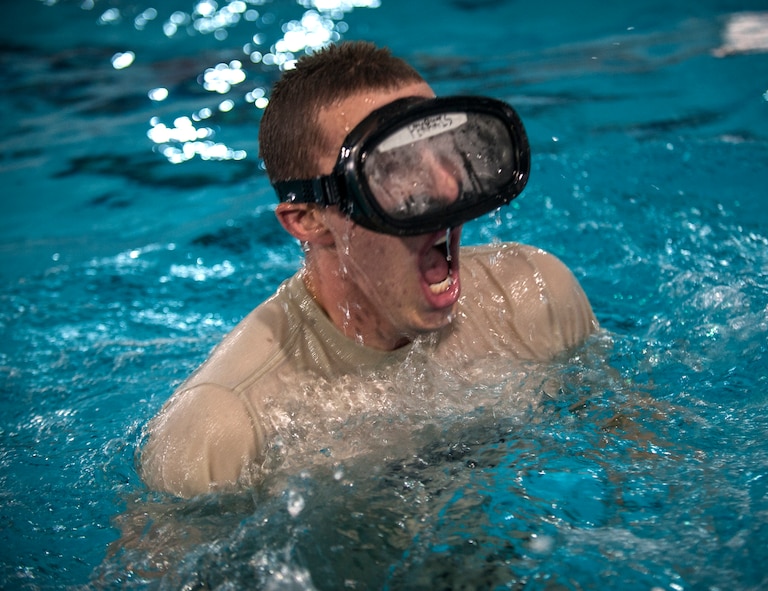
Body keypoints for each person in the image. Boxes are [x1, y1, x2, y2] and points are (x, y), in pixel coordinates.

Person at [139, 41, 598, 497]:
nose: (445, 185)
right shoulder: (225, 428)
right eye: (391, 167)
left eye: (443, 150)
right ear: (309, 219)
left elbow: (624, 461)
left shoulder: (531, 296)